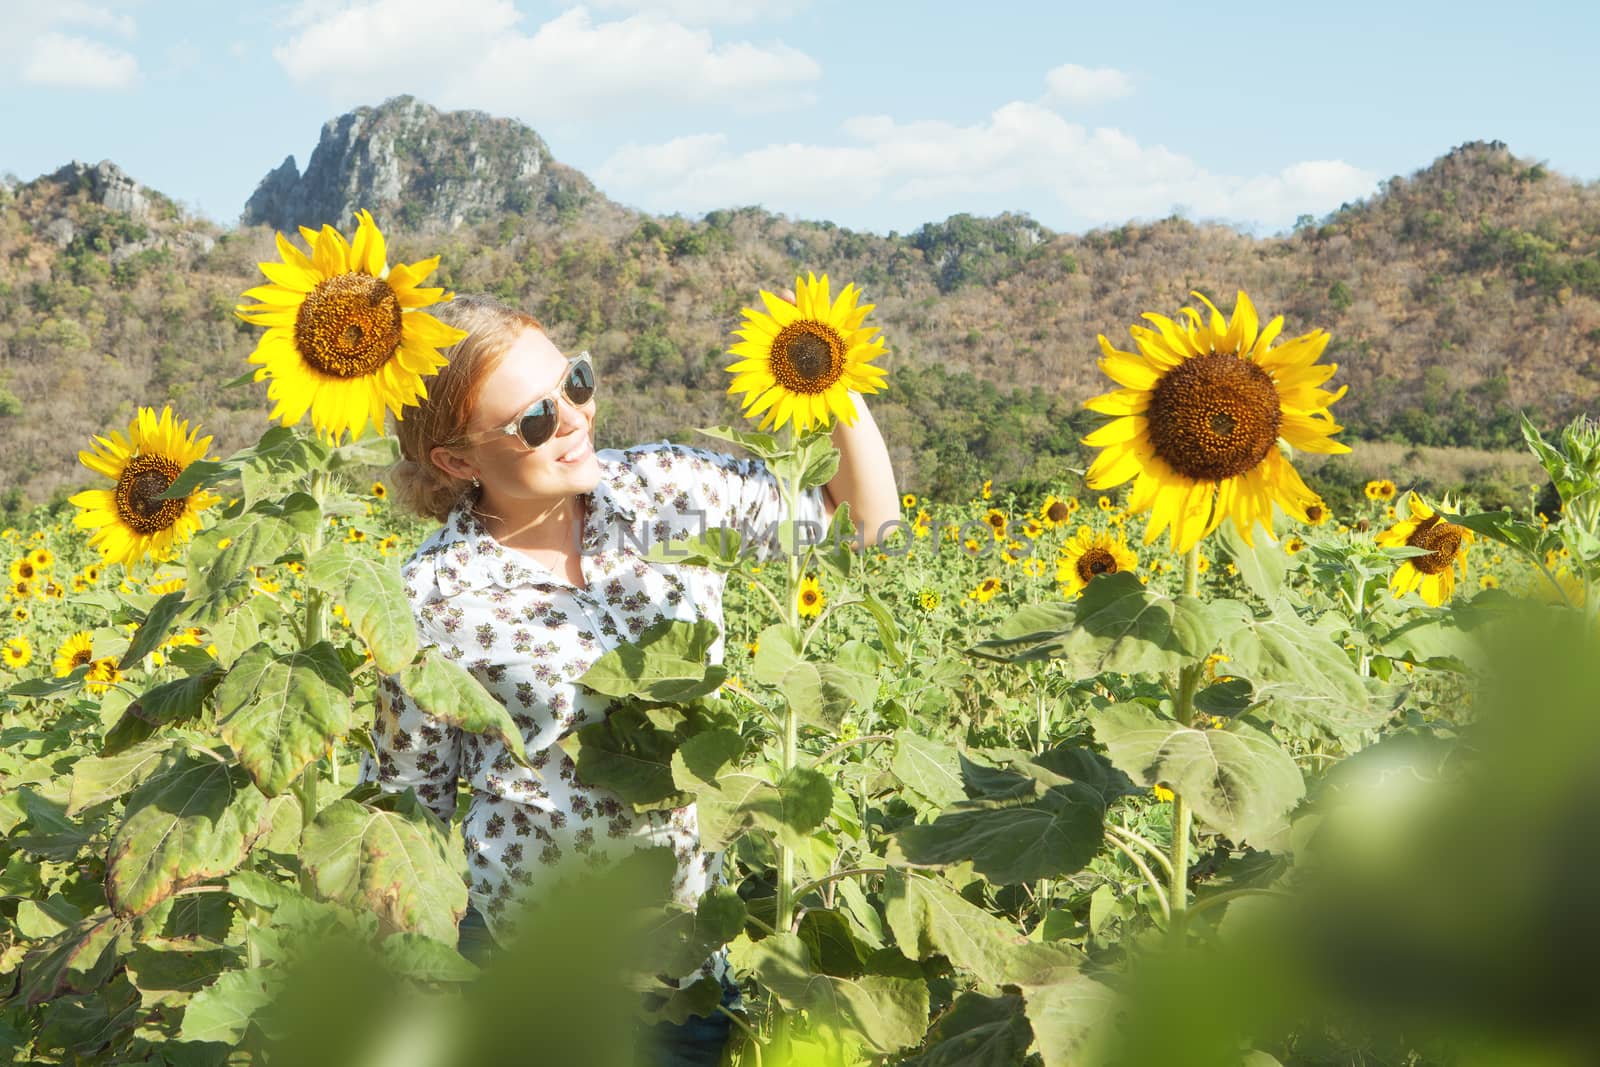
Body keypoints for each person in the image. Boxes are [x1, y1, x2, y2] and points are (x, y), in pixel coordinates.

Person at [358, 293, 899, 1065]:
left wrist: (829, 367)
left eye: (575, 383)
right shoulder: (431, 595)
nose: (574, 417)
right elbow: (411, 803)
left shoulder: (665, 491)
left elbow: (865, 524)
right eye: (534, 420)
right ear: (456, 460)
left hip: (684, 970)